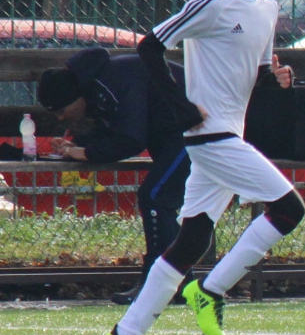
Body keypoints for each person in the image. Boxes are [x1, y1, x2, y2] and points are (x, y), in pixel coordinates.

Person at [99, 0, 301, 335]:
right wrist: (182, 107)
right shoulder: (212, 3)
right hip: (209, 136)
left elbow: (255, 75)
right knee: (290, 208)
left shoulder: (268, 8)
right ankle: (210, 290)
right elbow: (150, 46)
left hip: (231, 133)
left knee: (191, 239)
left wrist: (277, 78)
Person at [36, 46, 191, 298]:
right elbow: (115, 128)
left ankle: (158, 286)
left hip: (195, 128)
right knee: (160, 199)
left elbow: (130, 138)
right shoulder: (100, 83)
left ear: (75, 97)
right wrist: (78, 145)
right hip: (177, 130)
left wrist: (87, 153)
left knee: (155, 197)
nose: (62, 118)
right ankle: (179, 283)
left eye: (61, 110)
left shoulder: (111, 83)